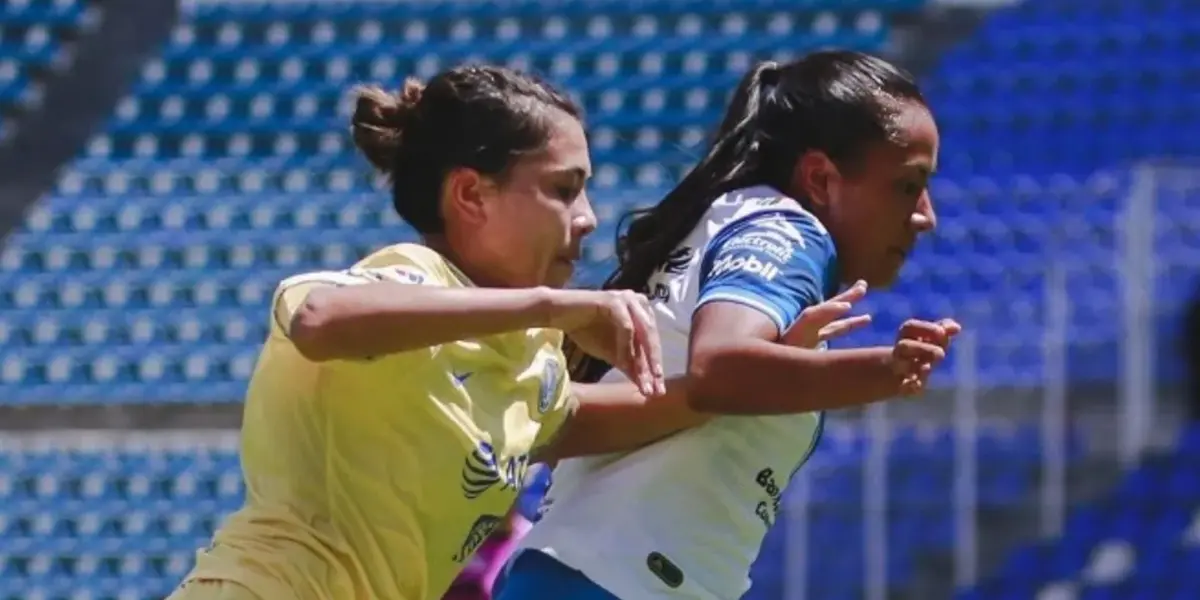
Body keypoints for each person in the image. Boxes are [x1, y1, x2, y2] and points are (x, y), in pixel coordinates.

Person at [165, 64, 676, 600]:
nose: (589, 218)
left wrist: (742, 371)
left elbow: (673, 401)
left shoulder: (531, 363)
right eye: (563, 189)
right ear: (470, 194)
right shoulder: (411, 273)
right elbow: (319, 321)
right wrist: (553, 307)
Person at [495, 50, 960, 600]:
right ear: (820, 177)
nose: (926, 215)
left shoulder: (732, 220)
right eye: (908, 185)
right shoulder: (788, 231)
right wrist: (883, 370)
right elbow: (721, 368)